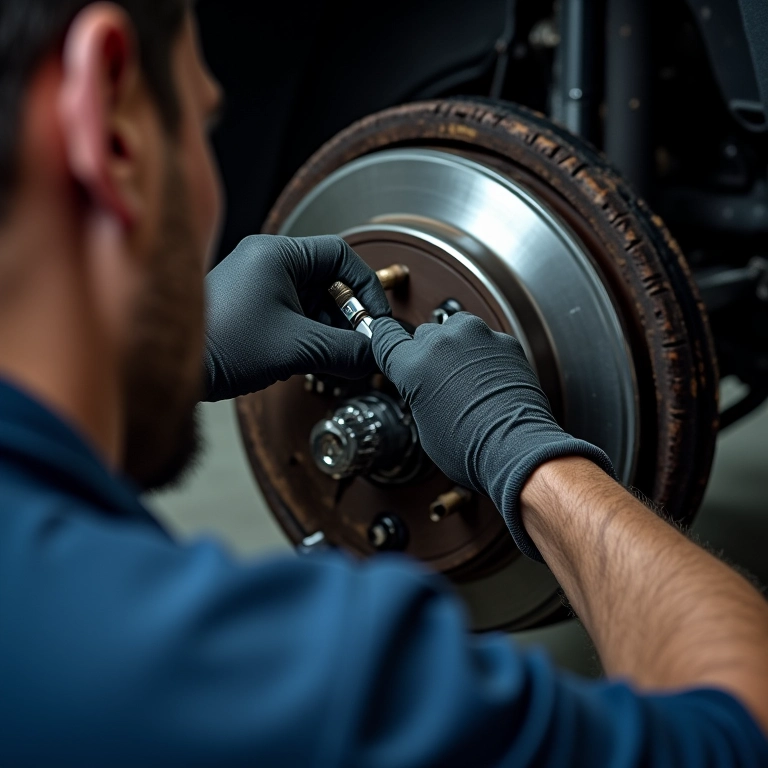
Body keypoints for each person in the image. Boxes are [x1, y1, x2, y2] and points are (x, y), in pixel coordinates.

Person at [0, 0, 766, 765]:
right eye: (204, 127)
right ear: (109, 123)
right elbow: (742, 729)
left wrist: (156, 354)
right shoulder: (288, 678)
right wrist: (526, 455)